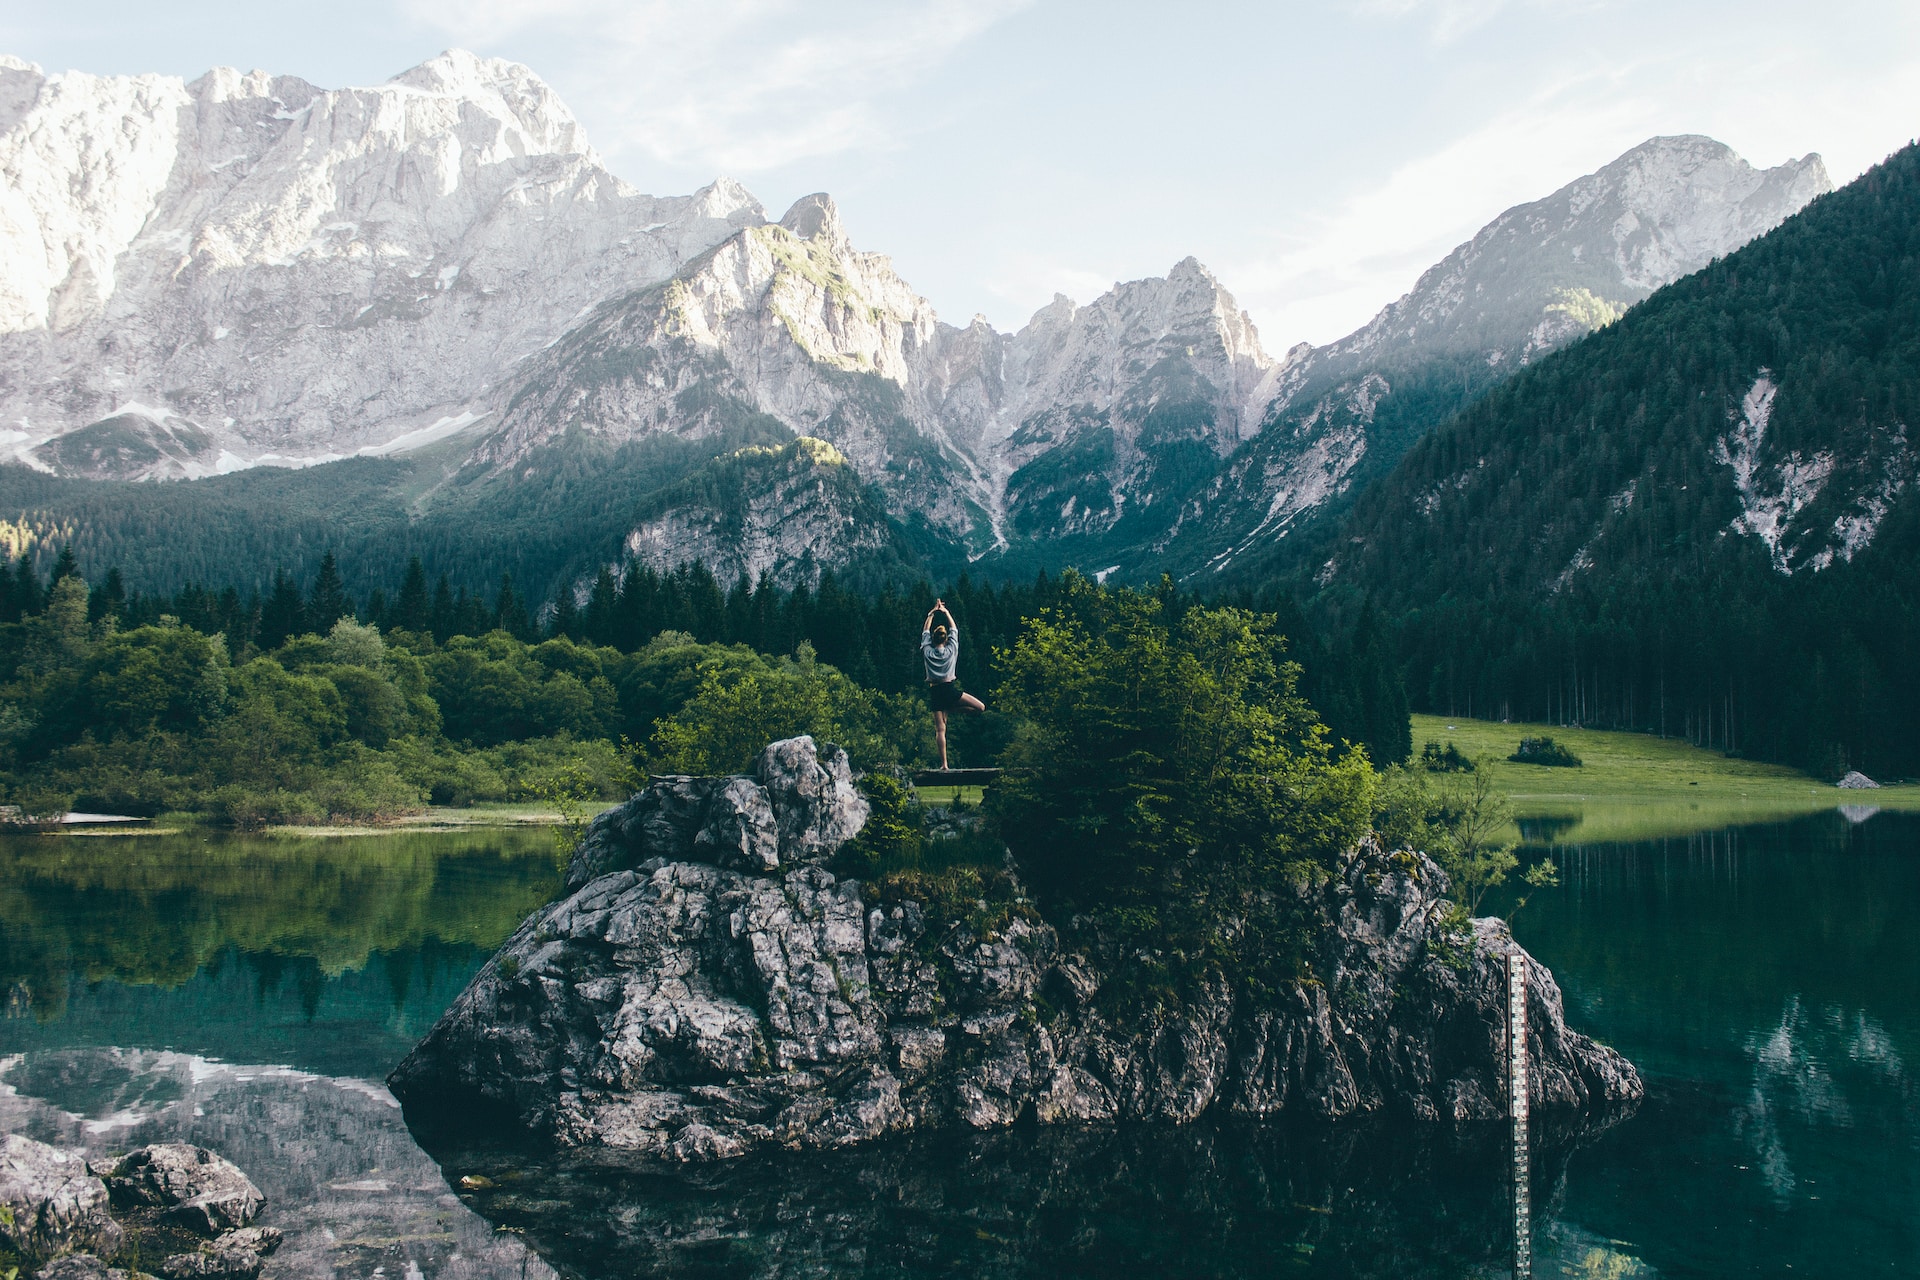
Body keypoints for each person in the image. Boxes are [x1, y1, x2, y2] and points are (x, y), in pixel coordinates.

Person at [922, 598, 984, 770]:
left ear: (932, 639)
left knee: (940, 731)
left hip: (935, 692)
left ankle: (944, 764)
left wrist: (932, 613)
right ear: (946, 639)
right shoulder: (951, 650)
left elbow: (925, 631)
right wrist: (946, 612)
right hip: (949, 690)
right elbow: (954, 629)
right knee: (980, 708)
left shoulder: (927, 651)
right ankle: (952, 709)